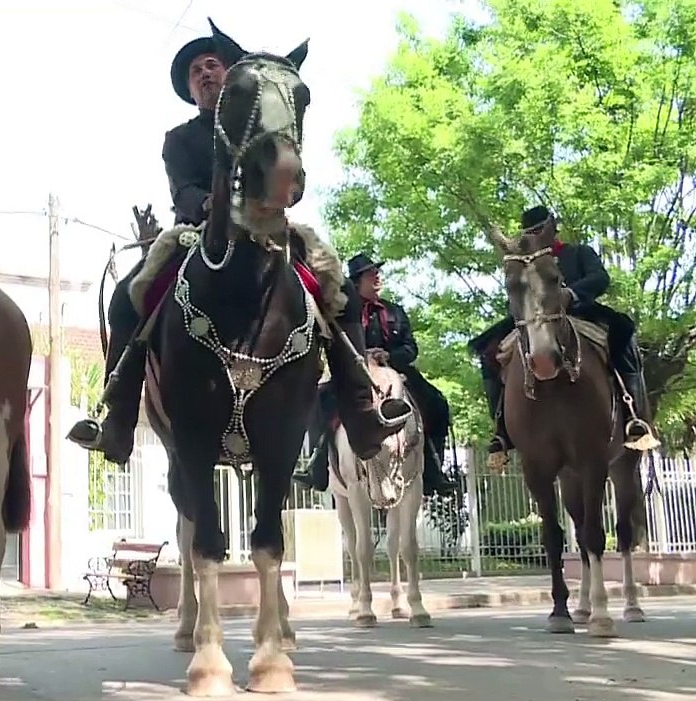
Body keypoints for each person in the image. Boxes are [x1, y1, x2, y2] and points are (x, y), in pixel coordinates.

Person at [67, 36, 411, 465]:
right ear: (190, 91)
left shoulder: (269, 126)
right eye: (196, 73)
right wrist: (209, 205)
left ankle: (361, 412)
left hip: (270, 231)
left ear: (233, 78)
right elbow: (184, 191)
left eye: (212, 65)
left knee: (338, 288)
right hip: (195, 233)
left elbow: (290, 178)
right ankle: (116, 419)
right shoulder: (179, 139)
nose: (205, 74)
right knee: (127, 296)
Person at [468, 205, 653, 453]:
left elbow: (600, 278)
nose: (537, 235)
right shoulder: (523, 264)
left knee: (624, 332)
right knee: (487, 350)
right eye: (531, 232)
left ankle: (634, 416)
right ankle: (501, 428)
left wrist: (571, 293)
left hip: (581, 311)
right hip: (535, 318)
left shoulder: (578, 253)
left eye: (540, 229)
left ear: (552, 228)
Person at [301, 253, 459, 495]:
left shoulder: (395, 311)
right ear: (356, 282)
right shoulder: (342, 315)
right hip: (354, 374)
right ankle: (317, 465)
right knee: (318, 403)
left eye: (377, 272)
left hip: (396, 372)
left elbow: (410, 348)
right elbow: (335, 346)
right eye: (370, 274)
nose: (377, 277)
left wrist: (387, 355)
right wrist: (364, 356)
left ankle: (434, 470)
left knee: (437, 403)